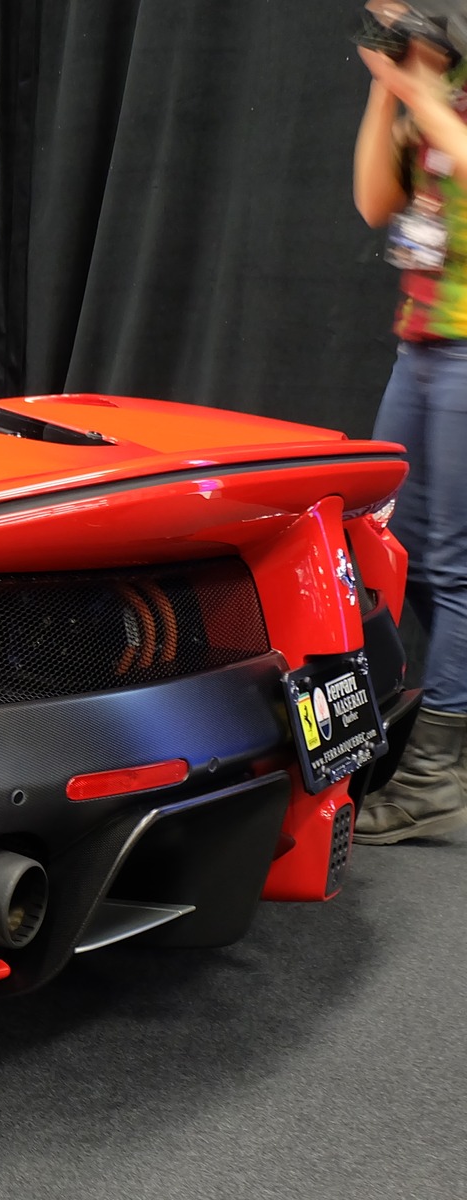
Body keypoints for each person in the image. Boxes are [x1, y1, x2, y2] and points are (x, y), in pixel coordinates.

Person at [353, 8, 467, 843]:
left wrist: (416, 86)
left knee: (452, 560)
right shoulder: (430, 98)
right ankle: (446, 722)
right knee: (404, 546)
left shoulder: (454, 105)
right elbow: (373, 204)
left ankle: (435, 771)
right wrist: (381, 96)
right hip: (420, 347)